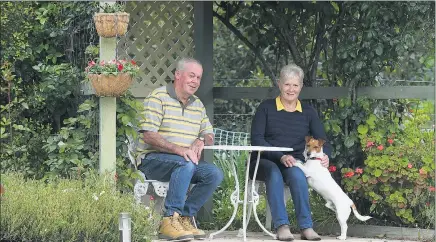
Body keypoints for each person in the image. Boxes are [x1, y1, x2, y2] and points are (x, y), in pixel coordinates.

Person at [138, 57, 223, 241]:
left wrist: (201, 139)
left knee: (213, 174)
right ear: (177, 75)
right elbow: (148, 135)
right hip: (152, 160)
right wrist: (179, 149)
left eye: (198, 78)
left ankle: (184, 218)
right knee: (186, 163)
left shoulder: (198, 104)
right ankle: (169, 220)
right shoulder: (158, 97)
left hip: (184, 163)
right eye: (191, 76)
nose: (195, 81)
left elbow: (209, 134)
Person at [250, 64, 332, 241]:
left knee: (297, 175)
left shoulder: (308, 112)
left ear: (301, 87)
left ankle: (306, 227)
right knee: (273, 173)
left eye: (295, 85)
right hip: (262, 161)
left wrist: (326, 156)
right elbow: (256, 140)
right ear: (279, 84)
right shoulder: (266, 108)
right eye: (287, 84)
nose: (291, 89)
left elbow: (322, 139)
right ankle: (282, 226)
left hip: (292, 162)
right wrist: (280, 155)